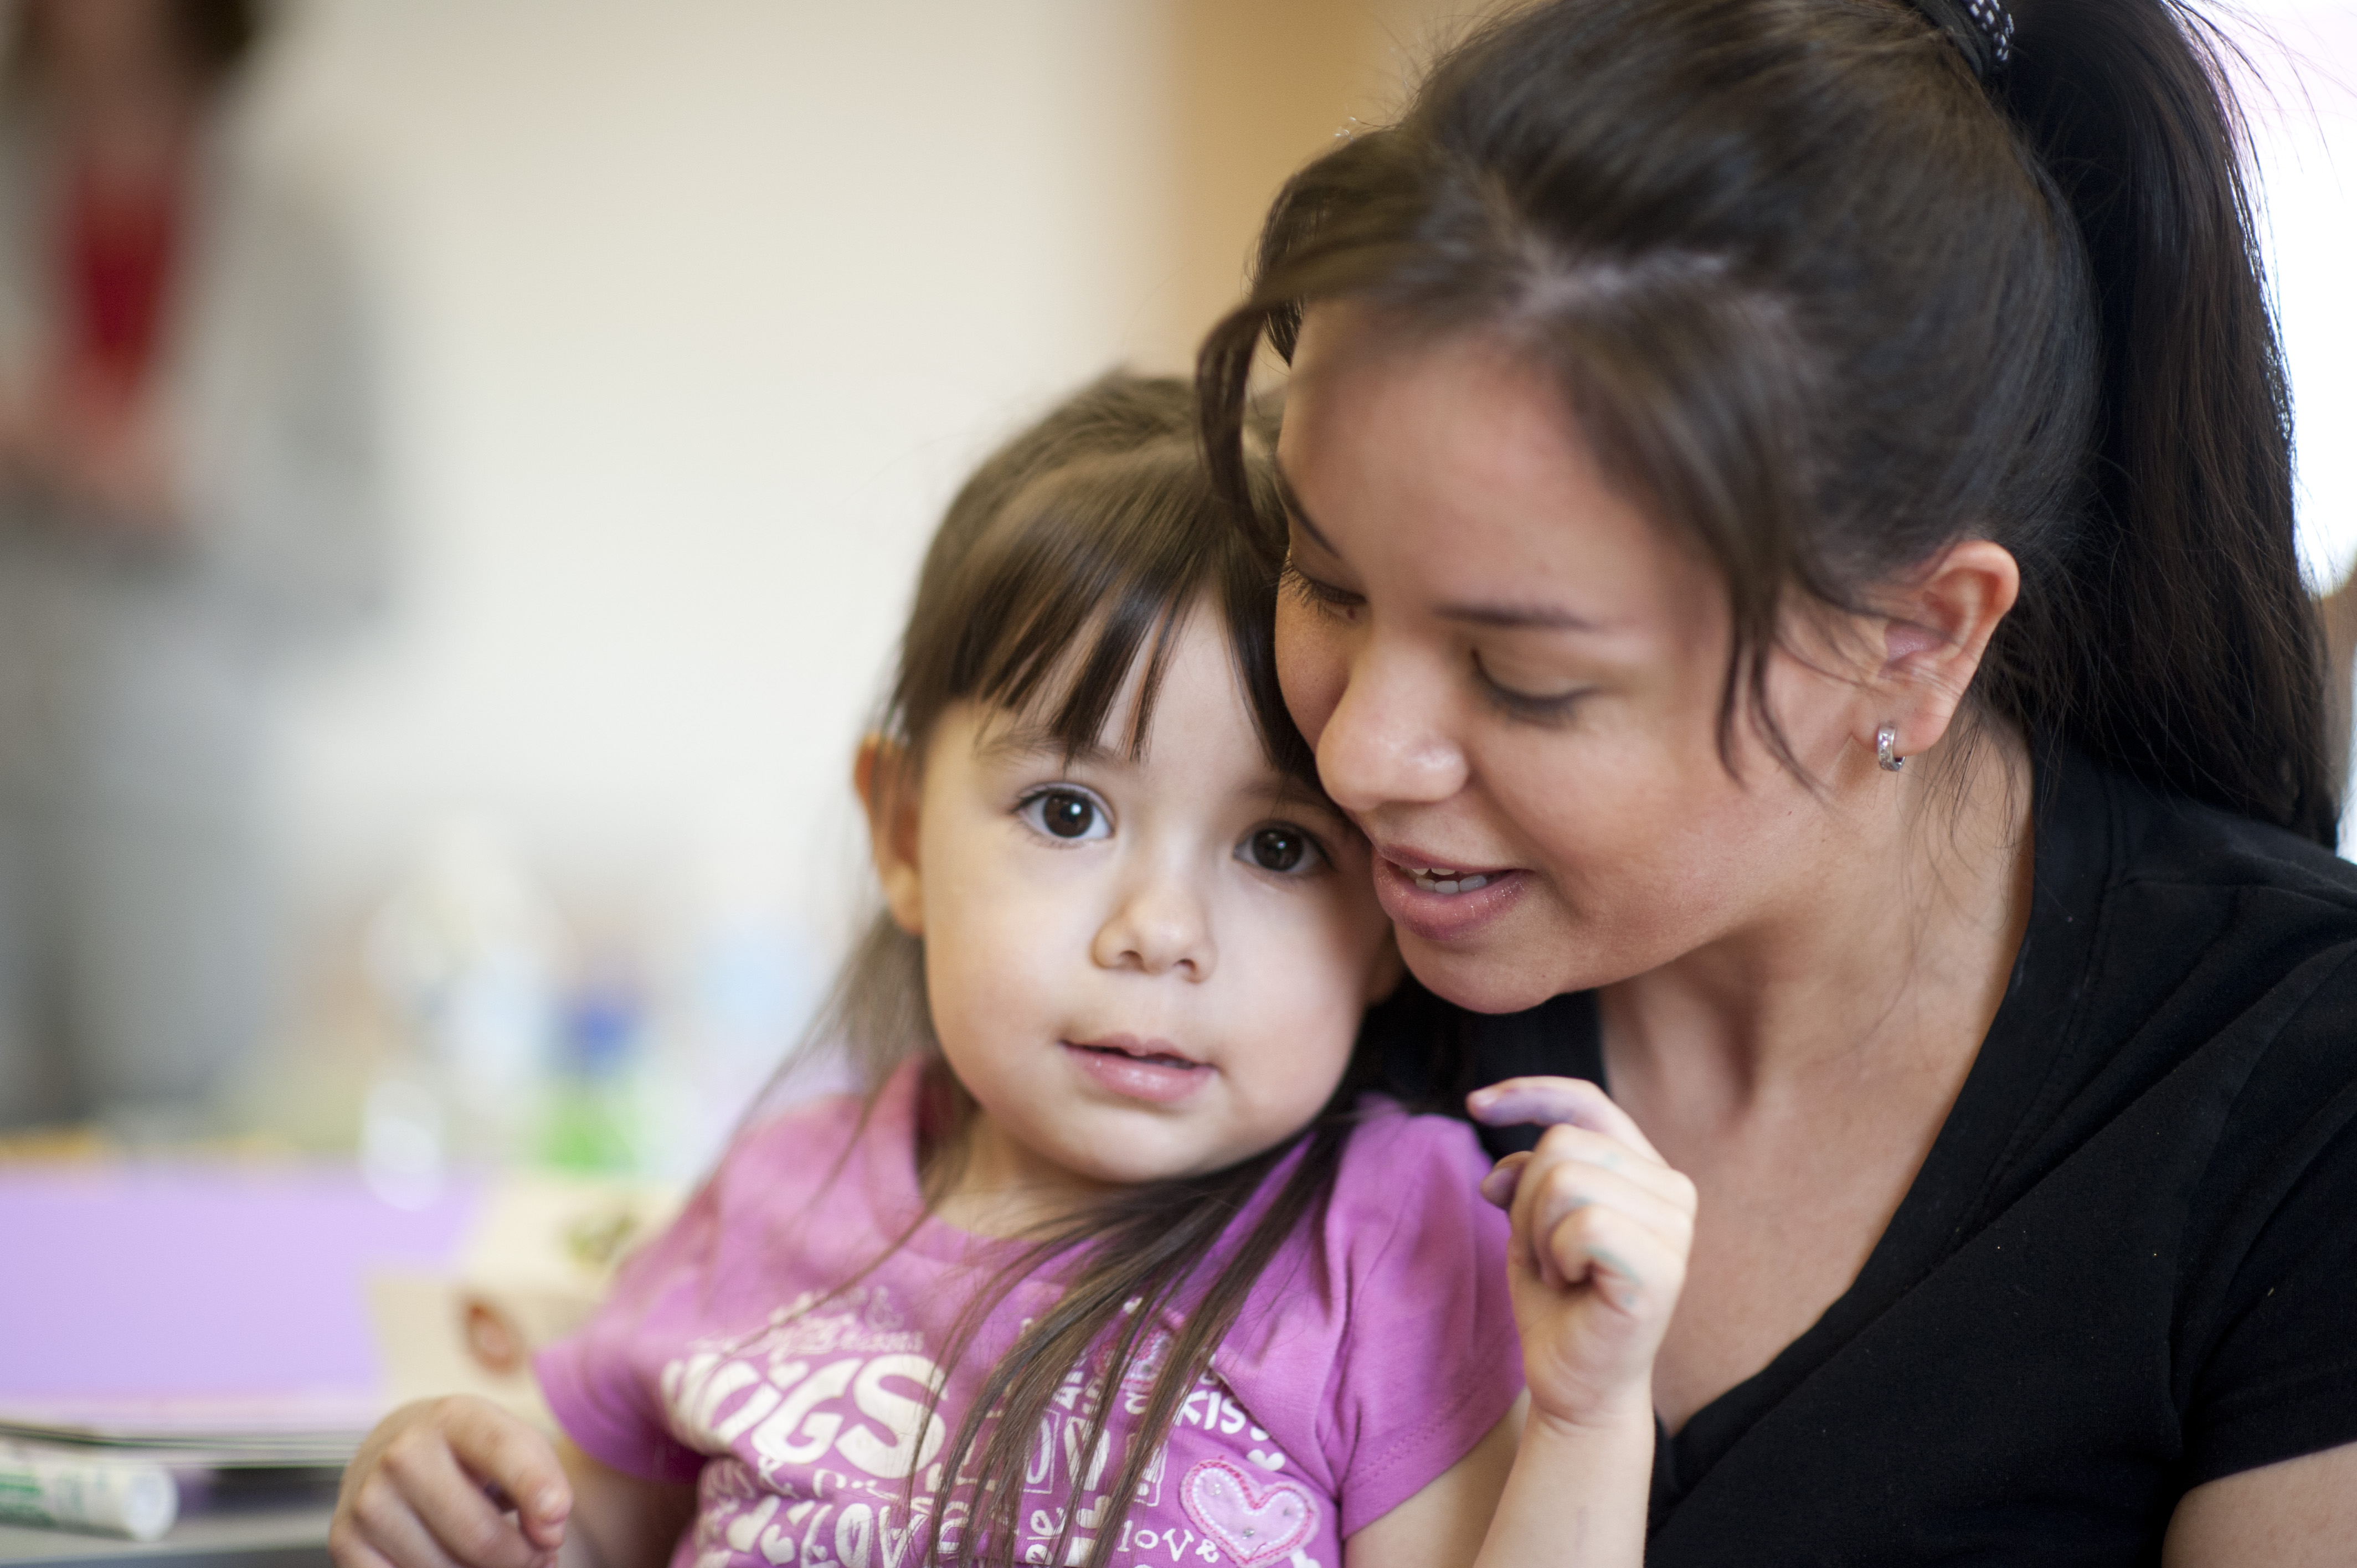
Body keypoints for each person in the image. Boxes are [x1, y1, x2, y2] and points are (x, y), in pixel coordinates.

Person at [1196, 0, 2357, 1560]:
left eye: (1527, 677)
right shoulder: (1258, 956)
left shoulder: (2298, 1089)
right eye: (1327, 585)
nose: (1352, 757)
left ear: (1915, 644)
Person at [327, 374, 1698, 1568]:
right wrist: (453, 1506)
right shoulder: (779, 1193)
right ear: (900, 830)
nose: (1160, 932)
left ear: (1390, 901)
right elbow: (580, 1537)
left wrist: (1586, 1420)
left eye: (1279, 848)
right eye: (1068, 812)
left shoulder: (1392, 1242)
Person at [0, 0, 383, 1130]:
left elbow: (374, 573)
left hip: (184, 837)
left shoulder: (307, 235)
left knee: (171, 1195)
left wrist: (198, 490)